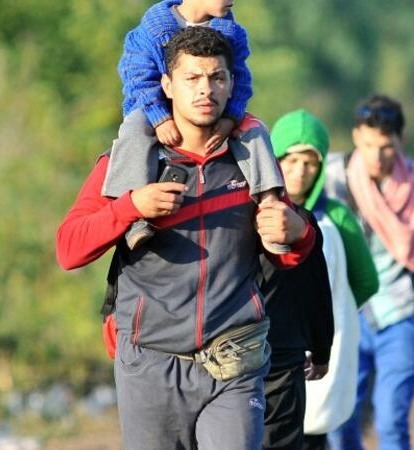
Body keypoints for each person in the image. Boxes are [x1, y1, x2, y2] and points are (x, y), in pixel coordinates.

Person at [56, 27, 315, 448]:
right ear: (167, 85)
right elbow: (69, 249)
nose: (205, 90)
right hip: (150, 362)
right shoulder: (130, 164)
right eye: (192, 78)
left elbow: (287, 255)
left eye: (216, 78)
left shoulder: (251, 161)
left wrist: (298, 233)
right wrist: (131, 207)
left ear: (232, 84)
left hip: (233, 361)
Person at [104, 0, 286, 252]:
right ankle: (132, 214)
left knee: (255, 130)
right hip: (150, 109)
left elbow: (241, 80)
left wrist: (230, 118)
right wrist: (159, 117)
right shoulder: (152, 29)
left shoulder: (232, 34)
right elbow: (136, 76)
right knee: (134, 130)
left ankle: (269, 205)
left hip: (212, 113)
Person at [325, 95, 414, 450]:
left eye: (386, 146)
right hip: (346, 315)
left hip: (402, 311)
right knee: (340, 421)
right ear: (355, 137)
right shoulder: (333, 175)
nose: (376, 156)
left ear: (401, 141)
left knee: (391, 420)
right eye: (368, 145)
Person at [268, 109, 379, 449]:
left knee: (313, 431)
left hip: (314, 350)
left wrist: (330, 320)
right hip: (262, 345)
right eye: (290, 160)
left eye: (309, 163)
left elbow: (365, 281)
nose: (299, 172)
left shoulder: (336, 216)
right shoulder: (254, 211)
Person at [259, 206, 334, 450]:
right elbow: (317, 289)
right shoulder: (299, 220)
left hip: (217, 359)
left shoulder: (210, 217)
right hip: (279, 357)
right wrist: (322, 350)